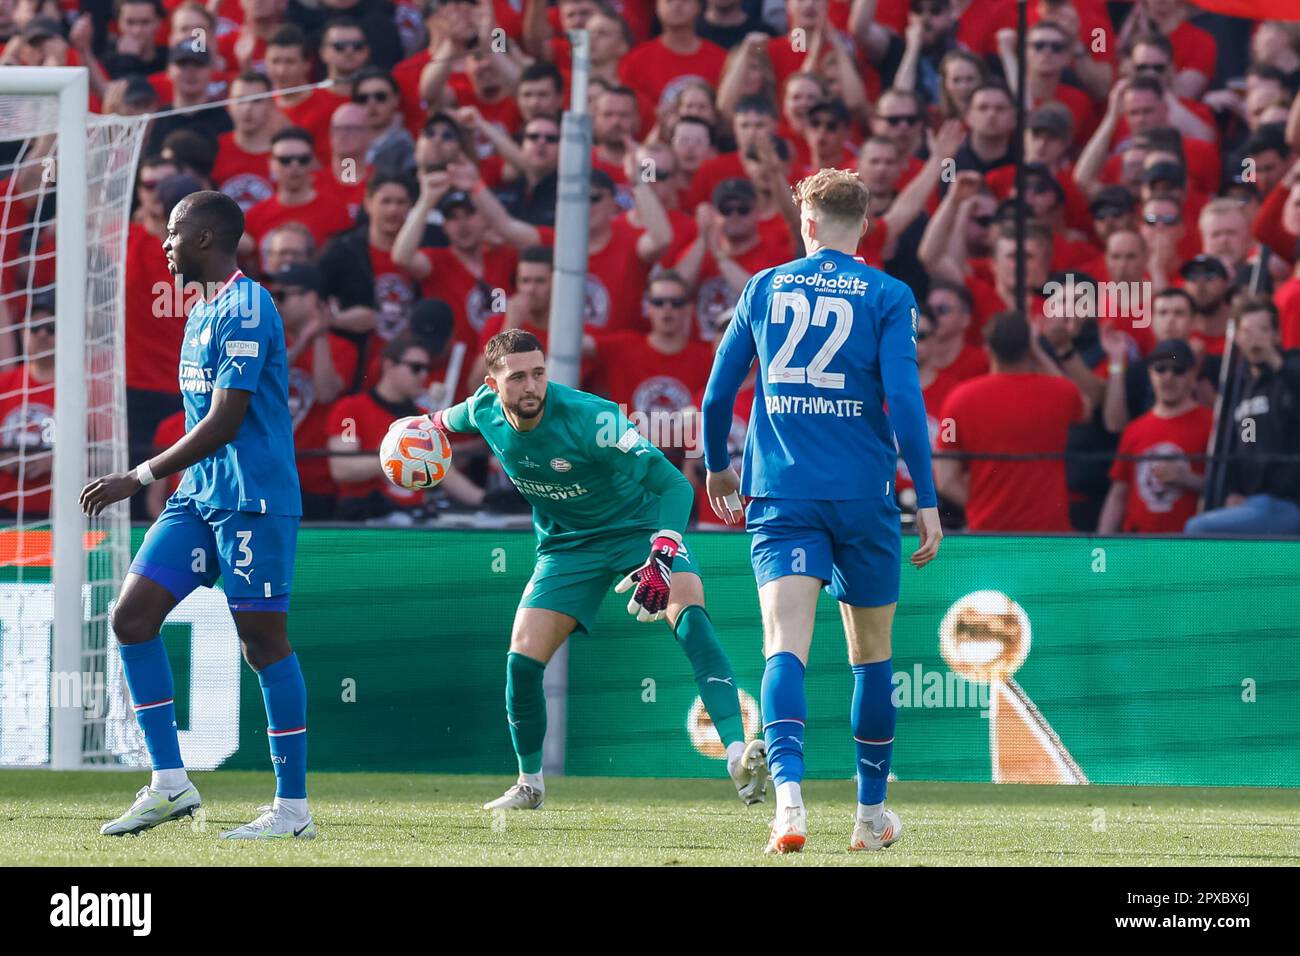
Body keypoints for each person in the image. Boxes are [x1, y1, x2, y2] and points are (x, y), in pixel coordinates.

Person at [425, 329, 769, 811]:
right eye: (518, 377)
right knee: (521, 662)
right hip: (568, 547)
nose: (532, 386)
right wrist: (414, 429)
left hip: (640, 529)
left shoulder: (594, 419)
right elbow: (439, 421)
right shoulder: (481, 410)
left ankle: (737, 755)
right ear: (493, 383)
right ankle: (529, 784)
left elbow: (675, 487)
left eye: (539, 374)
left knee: (689, 613)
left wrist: (663, 553)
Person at [701, 168, 942, 854]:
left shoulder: (765, 286)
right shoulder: (889, 294)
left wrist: (718, 464)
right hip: (864, 497)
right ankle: (869, 816)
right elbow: (906, 403)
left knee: (786, 648)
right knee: (871, 659)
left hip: (785, 494)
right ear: (865, 226)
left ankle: (789, 805)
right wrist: (925, 498)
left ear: (805, 224)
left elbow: (718, 396)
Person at [81, 191, 313, 840]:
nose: (165, 242)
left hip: (252, 501)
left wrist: (140, 475)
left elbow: (225, 421)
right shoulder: (202, 310)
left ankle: (292, 812)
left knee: (262, 644)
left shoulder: (246, 306)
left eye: (175, 231)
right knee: (130, 617)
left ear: (207, 239)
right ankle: (170, 784)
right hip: (200, 498)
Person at [1185, 296, 1300, 535]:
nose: (1255, 337)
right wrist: (1234, 489)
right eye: (1247, 331)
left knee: (1198, 529)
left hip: (1288, 500)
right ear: (1237, 338)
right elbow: (1247, 440)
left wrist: (1273, 358)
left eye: (1263, 329)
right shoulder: (1240, 386)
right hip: (1253, 502)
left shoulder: (1290, 367)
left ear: (1276, 335)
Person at [1098, 338, 1212, 534]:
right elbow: (1118, 494)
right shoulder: (1134, 429)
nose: (1168, 376)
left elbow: (1226, 487)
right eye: (1160, 368)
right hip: (1138, 545)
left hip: (1189, 547)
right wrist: (1101, 544)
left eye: (1178, 370)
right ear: (1150, 373)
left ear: (1193, 375)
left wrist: (1188, 479)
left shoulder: (1211, 423)